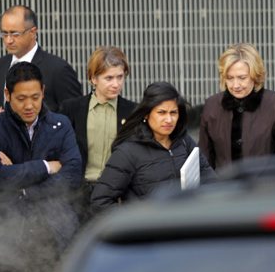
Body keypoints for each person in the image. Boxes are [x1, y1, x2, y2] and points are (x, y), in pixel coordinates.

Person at [0, 62, 82, 272]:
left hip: (53, 229)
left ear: (43, 91)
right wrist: (46, 167)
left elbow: (72, 175)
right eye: (21, 98)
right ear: (7, 95)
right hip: (7, 230)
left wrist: (23, 187)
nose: (29, 105)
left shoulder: (60, 124)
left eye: (35, 97)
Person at [90, 82, 215, 213]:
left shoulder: (185, 142)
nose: (169, 119)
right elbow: (100, 202)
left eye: (173, 113)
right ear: (146, 114)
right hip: (149, 230)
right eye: (161, 112)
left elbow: (211, 181)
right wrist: (137, 221)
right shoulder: (127, 152)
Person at [199, 43, 275, 170]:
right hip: (224, 188)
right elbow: (204, 161)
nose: (235, 85)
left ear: (255, 75)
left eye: (242, 78)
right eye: (229, 78)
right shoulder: (212, 106)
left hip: (270, 188)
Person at [59, 46, 137, 221]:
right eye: (108, 78)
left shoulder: (133, 112)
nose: (116, 84)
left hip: (116, 196)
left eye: (120, 77)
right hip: (78, 195)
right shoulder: (72, 109)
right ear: (93, 78)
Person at [0, 5, 82, 121]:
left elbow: (75, 114)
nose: (8, 40)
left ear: (33, 32)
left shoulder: (58, 69)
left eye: (15, 34)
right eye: (4, 34)